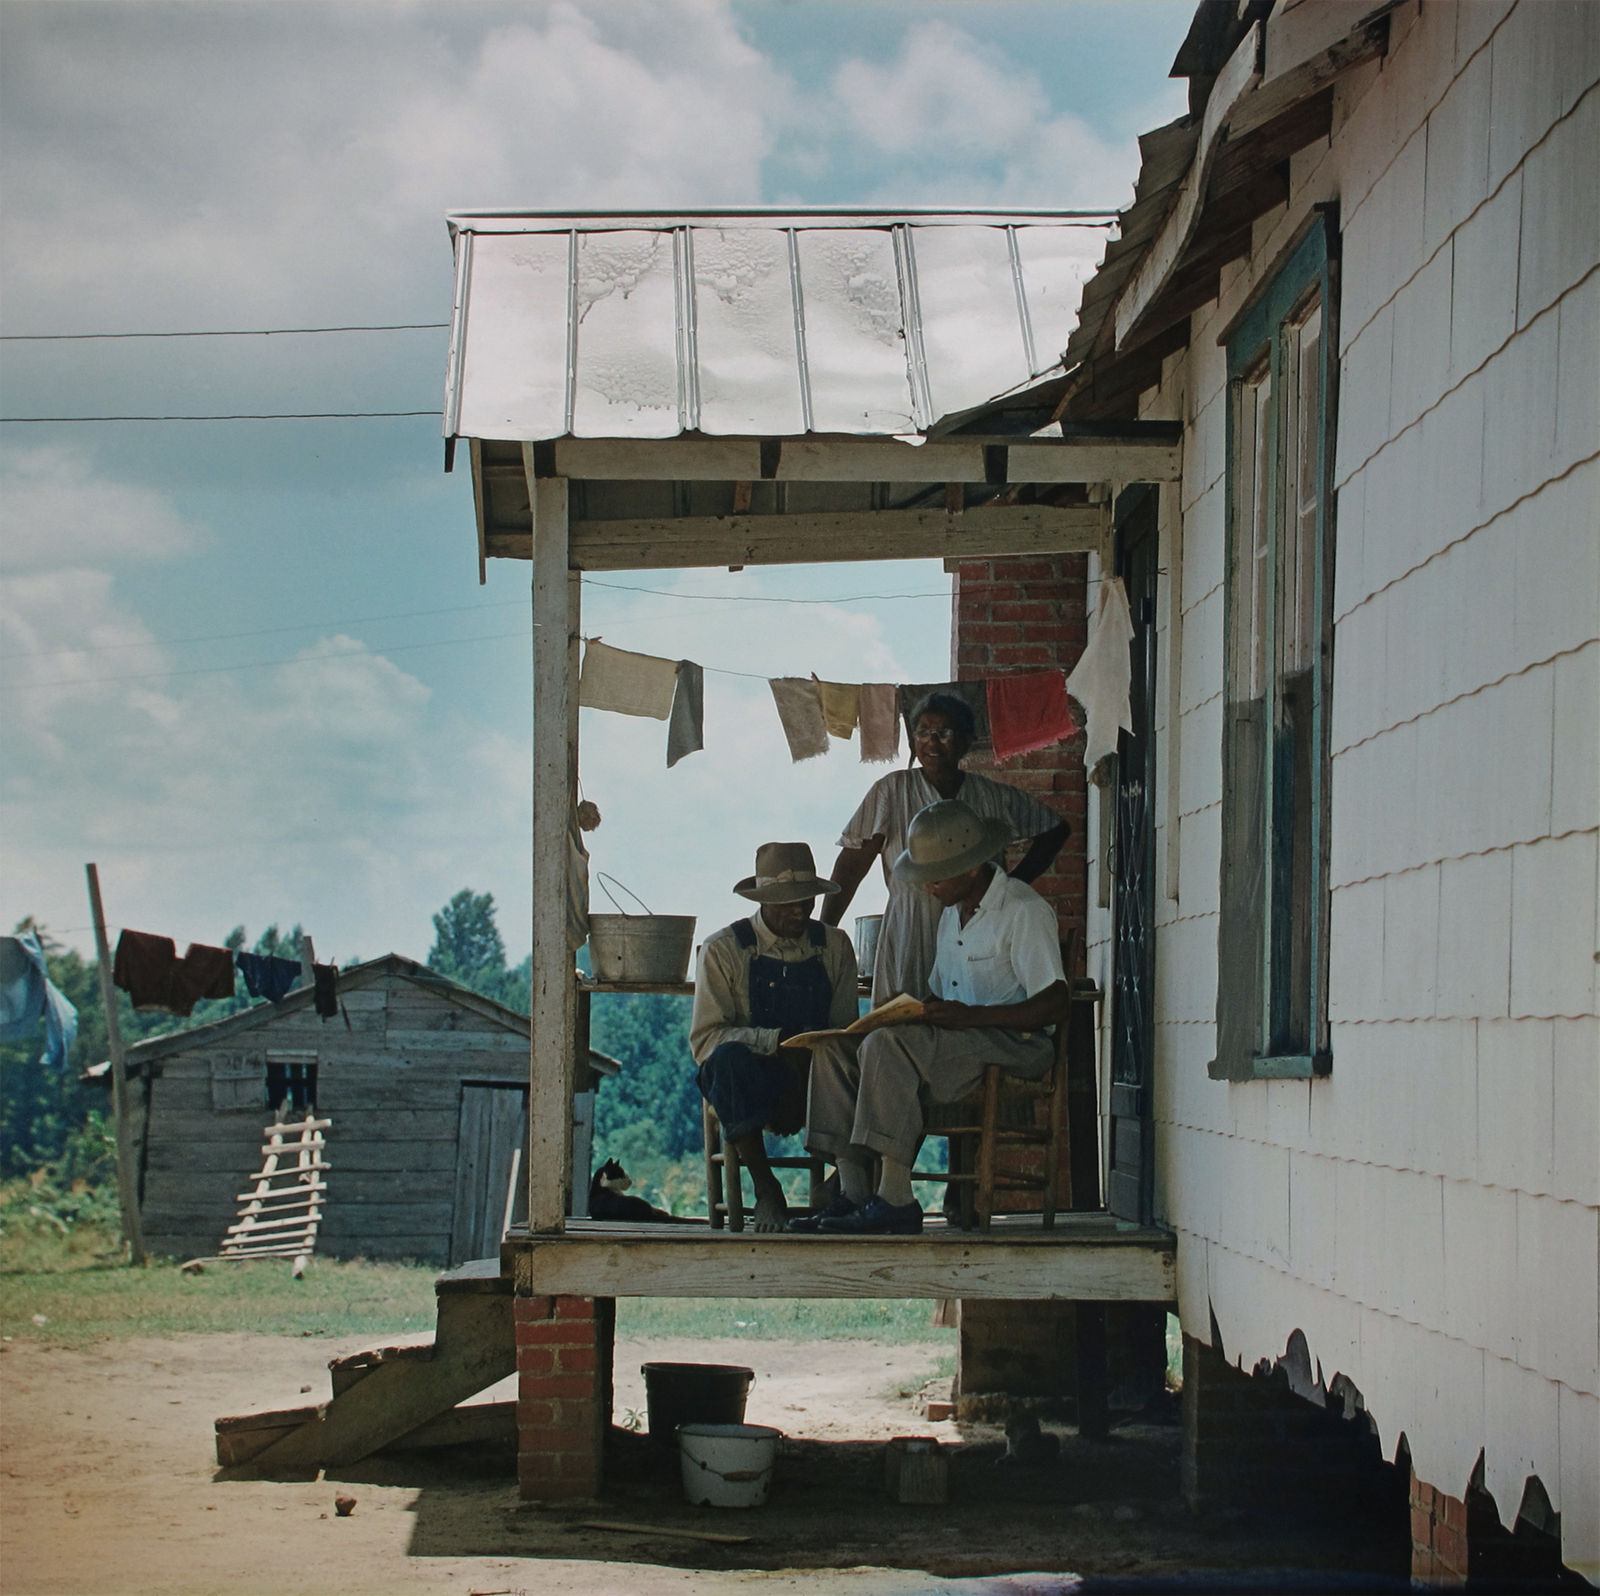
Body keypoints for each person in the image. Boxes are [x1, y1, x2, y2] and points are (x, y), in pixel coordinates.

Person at [796, 799, 1069, 1235]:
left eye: (936, 877)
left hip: (1016, 1045)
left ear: (972, 867)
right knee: (833, 1050)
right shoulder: (950, 916)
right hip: (959, 1042)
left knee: (886, 1047)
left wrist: (972, 1017)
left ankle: (895, 1199)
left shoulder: (1022, 909)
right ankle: (854, 1193)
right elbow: (945, 995)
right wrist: (912, 1010)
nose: (928, 887)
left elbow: (1054, 1005)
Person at [822, 691, 1069, 1006]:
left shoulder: (991, 796)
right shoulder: (892, 791)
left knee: (971, 1009)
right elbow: (851, 865)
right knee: (904, 1016)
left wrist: (1011, 884)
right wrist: (825, 933)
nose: (932, 742)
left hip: (981, 923)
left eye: (944, 733)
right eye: (923, 732)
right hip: (911, 928)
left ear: (967, 741)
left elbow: (1054, 828)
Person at [691, 842, 859, 1233]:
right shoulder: (724, 949)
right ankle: (766, 1189)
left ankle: (848, 1184)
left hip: (818, 1076)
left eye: (806, 901)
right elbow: (705, 1041)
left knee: (880, 1059)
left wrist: (811, 1054)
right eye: (786, 903)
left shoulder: (834, 945)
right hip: (755, 1079)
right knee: (725, 1063)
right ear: (763, 901)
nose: (799, 911)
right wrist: (777, 1042)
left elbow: (845, 1030)